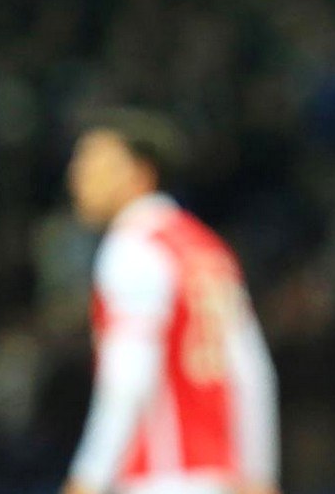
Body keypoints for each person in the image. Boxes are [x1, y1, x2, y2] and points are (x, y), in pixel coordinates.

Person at [62, 109, 281, 494]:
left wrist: (88, 479)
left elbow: (128, 378)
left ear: (140, 172)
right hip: (220, 479)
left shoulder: (133, 247)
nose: (78, 176)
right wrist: (260, 475)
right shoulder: (206, 246)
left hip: (161, 476)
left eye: (96, 162)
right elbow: (250, 371)